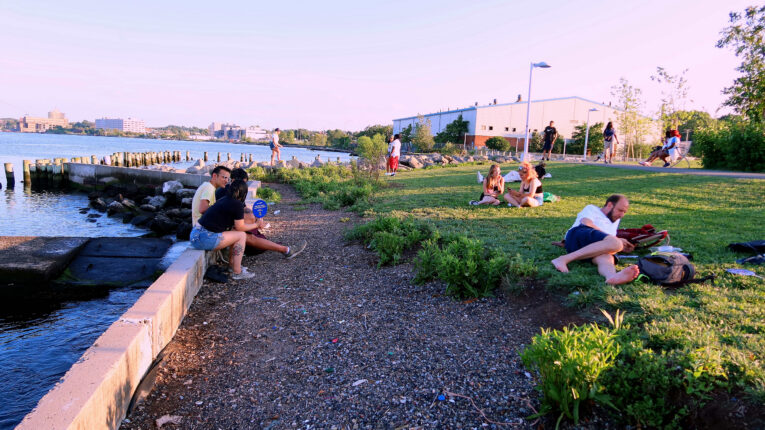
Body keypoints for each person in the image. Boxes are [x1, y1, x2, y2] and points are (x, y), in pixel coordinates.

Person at [215, 168, 306, 258]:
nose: (245, 186)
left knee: (250, 226)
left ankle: (283, 249)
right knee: (249, 235)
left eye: (245, 184)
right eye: (243, 183)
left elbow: (243, 208)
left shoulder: (235, 192)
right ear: (234, 180)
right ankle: (286, 250)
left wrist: (258, 217)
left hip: (228, 227)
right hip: (224, 230)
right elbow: (237, 222)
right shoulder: (226, 193)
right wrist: (255, 224)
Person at [551, 194, 640, 285]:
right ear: (610, 205)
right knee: (617, 244)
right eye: (620, 210)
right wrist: (616, 241)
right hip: (578, 236)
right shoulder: (592, 209)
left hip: (591, 249)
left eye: (624, 212)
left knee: (607, 257)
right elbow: (586, 223)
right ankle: (563, 259)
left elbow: (608, 243)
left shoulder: (615, 220)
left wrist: (622, 246)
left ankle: (611, 276)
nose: (622, 215)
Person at [189, 180, 258, 280]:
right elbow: (240, 227)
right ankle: (237, 272)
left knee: (236, 233)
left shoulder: (225, 199)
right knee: (242, 235)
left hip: (196, 235)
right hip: (203, 237)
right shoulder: (237, 204)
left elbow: (236, 227)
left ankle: (232, 265)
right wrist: (256, 225)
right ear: (243, 192)